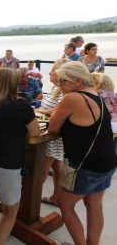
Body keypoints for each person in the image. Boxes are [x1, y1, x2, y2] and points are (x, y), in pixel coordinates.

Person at [48, 62, 117, 245]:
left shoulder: (72, 98)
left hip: (85, 165)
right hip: (106, 161)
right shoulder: (97, 94)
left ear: (78, 81)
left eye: (63, 81)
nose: (59, 85)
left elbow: (52, 127)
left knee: (65, 203)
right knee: (94, 206)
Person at [0, 68, 40, 245]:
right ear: (13, 83)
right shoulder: (20, 105)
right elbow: (35, 133)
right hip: (7, 165)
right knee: (11, 211)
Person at [37, 59, 69, 206]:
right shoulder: (55, 88)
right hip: (54, 131)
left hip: (54, 134)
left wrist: (39, 110)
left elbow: (58, 110)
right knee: (57, 167)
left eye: (52, 70)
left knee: (41, 168)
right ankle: (56, 197)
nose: (49, 73)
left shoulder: (64, 91)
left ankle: (30, 200)